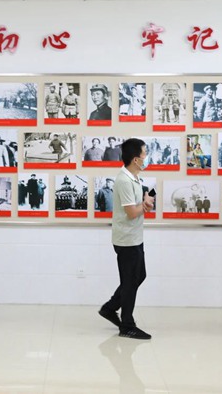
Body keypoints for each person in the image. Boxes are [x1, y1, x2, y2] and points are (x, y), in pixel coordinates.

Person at [98, 138, 154, 340]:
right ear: (135, 159)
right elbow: (131, 212)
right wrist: (145, 205)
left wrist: (145, 200)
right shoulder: (123, 180)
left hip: (135, 237)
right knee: (130, 282)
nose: (146, 157)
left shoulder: (134, 177)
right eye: (144, 154)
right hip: (126, 239)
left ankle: (110, 307)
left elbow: (136, 205)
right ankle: (127, 325)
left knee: (139, 276)